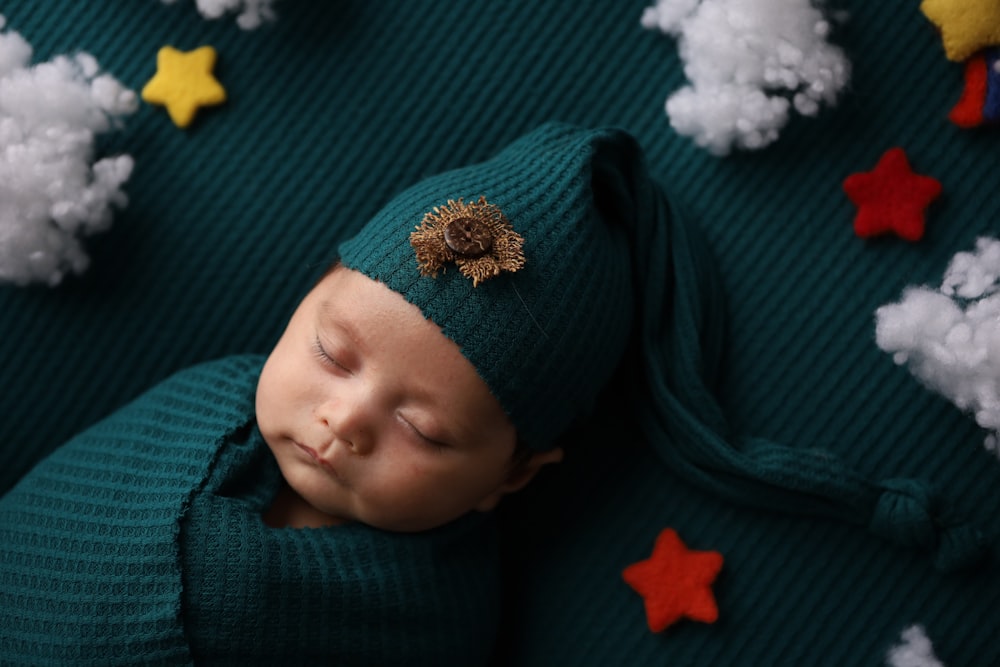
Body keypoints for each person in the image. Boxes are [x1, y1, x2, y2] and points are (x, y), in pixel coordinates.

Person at [0, 123, 987, 665]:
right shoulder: (203, 404)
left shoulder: (424, 615)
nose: (342, 419)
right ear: (306, 298)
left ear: (508, 478)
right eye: (332, 353)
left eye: (421, 428)